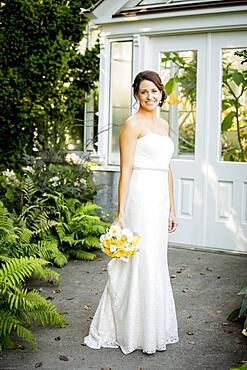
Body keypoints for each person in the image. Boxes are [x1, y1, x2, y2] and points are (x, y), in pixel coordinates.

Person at [84, 70, 179, 355]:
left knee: (156, 260)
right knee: (139, 261)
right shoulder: (131, 125)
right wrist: (120, 213)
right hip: (140, 197)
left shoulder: (163, 126)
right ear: (137, 96)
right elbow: (125, 172)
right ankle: (127, 329)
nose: (150, 96)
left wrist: (172, 208)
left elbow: (167, 169)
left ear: (161, 93)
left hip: (160, 199)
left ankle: (152, 327)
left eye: (154, 91)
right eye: (144, 92)